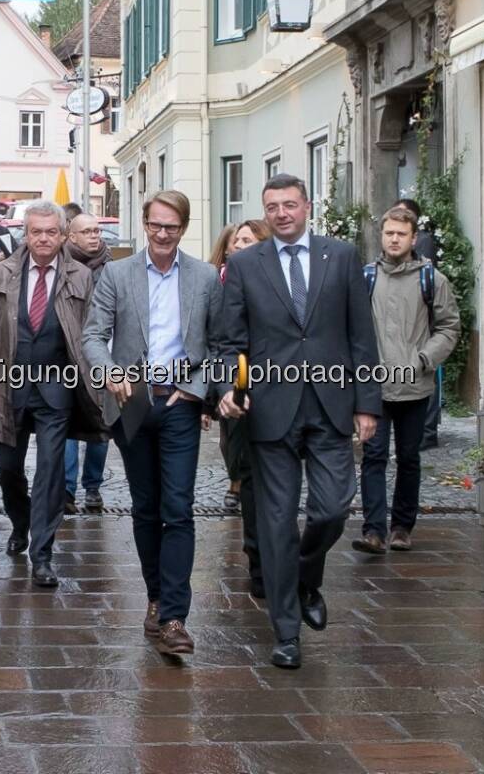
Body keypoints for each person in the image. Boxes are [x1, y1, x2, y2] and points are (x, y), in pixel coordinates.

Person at [216, 174, 380, 670]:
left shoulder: (342, 256)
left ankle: (307, 577)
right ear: (264, 211)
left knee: (333, 509)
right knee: (275, 523)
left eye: (290, 204)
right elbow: (229, 340)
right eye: (272, 206)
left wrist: (367, 402)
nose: (282, 213)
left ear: (307, 206)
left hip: (331, 405)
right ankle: (286, 632)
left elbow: (361, 334)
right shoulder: (245, 265)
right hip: (269, 410)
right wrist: (227, 386)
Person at [82, 191, 221, 657]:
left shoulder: (203, 277)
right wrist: (111, 373)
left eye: (172, 227)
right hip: (132, 404)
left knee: (178, 508)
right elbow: (93, 336)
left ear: (183, 227)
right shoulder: (117, 274)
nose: (163, 234)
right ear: (144, 224)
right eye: (156, 225)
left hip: (181, 402)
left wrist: (197, 389)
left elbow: (219, 345)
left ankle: (176, 617)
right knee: (146, 507)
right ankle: (156, 598)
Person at [0, 202, 105, 588]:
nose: (43, 238)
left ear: (62, 235)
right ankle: (21, 522)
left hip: (57, 388)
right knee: (9, 468)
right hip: (7, 387)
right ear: (25, 234)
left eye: (51, 232)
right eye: (36, 232)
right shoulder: (3, 272)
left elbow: (93, 330)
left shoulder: (80, 276)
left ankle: (42, 553)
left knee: (50, 472)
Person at [353, 206, 461, 555]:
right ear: (381, 237)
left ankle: (401, 527)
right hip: (375, 386)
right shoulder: (365, 277)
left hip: (416, 385)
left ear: (414, 238)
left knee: (409, 458)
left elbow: (448, 328)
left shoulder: (433, 280)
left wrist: (424, 359)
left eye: (401, 233)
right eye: (389, 233)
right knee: (373, 456)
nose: (394, 239)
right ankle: (373, 530)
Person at [207, 218, 271, 599]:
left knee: (273, 480)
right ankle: (258, 558)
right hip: (239, 391)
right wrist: (217, 392)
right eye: (239, 241)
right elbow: (217, 341)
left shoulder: (281, 278)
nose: (243, 246)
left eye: (251, 240)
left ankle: (274, 554)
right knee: (248, 473)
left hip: (284, 390)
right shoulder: (220, 283)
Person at [63, 212, 112, 512]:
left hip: (102, 355)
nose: (94, 236)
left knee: (100, 423)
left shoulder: (112, 268)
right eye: (87, 231)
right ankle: (66, 489)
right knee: (66, 422)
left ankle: (92, 486)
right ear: (72, 236)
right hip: (67, 356)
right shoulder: (61, 265)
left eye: (97, 231)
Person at [394, 198, 443, 450]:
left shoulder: (423, 241)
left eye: (403, 215)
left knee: (426, 376)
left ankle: (426, 431)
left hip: (422, 323)